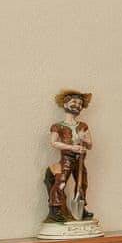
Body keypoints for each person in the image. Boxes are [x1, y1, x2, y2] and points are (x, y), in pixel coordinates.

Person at [44, 89, 94, 223]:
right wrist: (71, 147)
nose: (77, 105)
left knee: (82, 183)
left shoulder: (83, 126)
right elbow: (54, 142)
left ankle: (81, 207)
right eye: (74, 102)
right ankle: (55, 209)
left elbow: (90, 145)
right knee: (61, 181)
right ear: (65, 104)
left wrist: (85, 139)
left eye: (80, 104)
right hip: (67, 159)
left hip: (80, 160)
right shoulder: (58, 126)